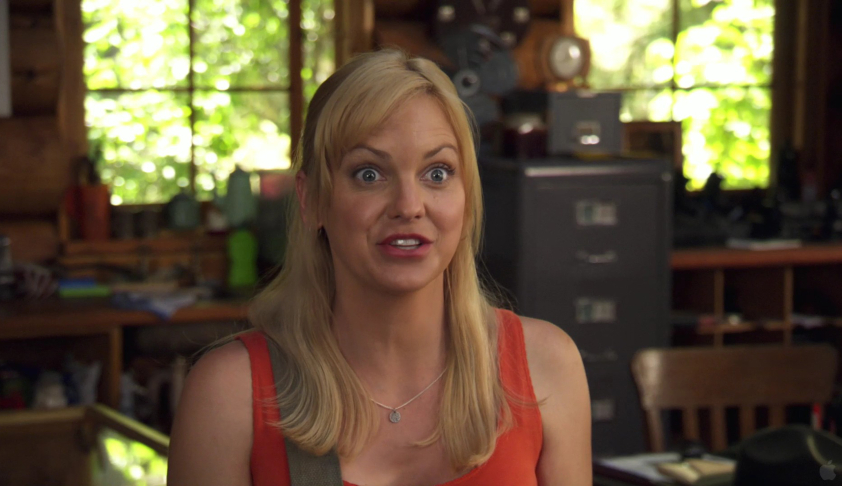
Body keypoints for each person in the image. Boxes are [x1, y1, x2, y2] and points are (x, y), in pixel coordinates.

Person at [167, 48, 592, 486]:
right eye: (369, 174)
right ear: (312, 200)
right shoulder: (228, 394)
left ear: (467, 199)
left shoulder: (547, 367)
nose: (409, 206)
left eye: (437, 173)